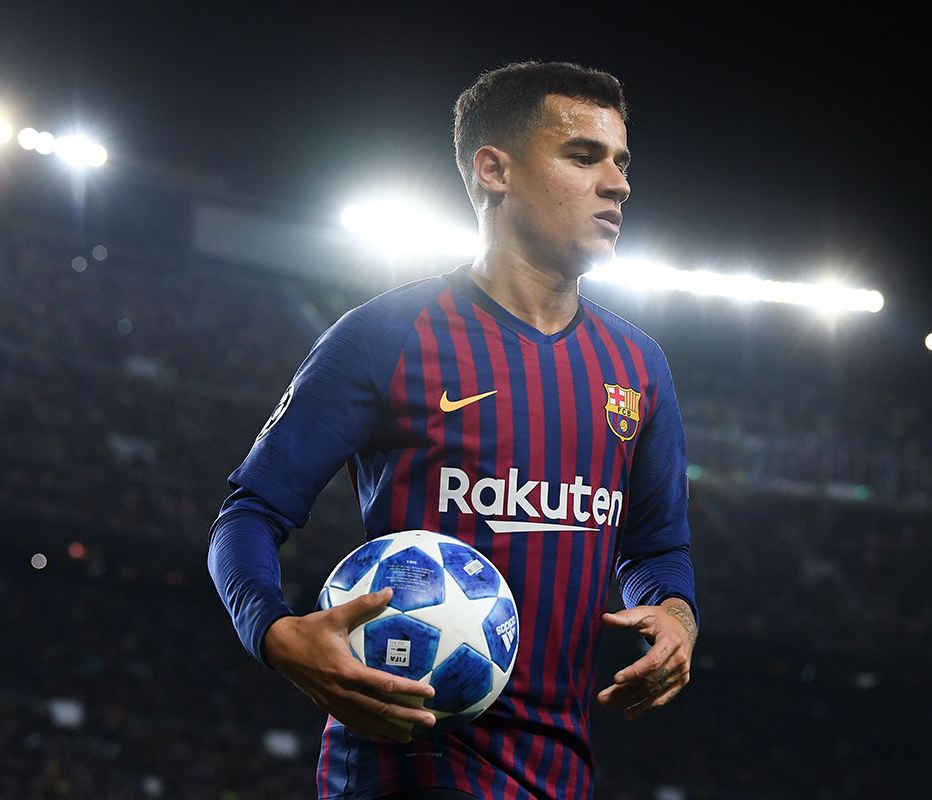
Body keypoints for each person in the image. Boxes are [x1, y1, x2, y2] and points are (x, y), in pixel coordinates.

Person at [208, 60, 699, 800]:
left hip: (563, 770)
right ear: (494, 169)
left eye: (622, 162)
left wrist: (675, 616)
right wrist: (275, 633)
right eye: (583, 156)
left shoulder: (639, 365)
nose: (618, 183)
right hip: (406, 763)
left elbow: (655, 548)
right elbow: (250, 512)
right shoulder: (384, 337)